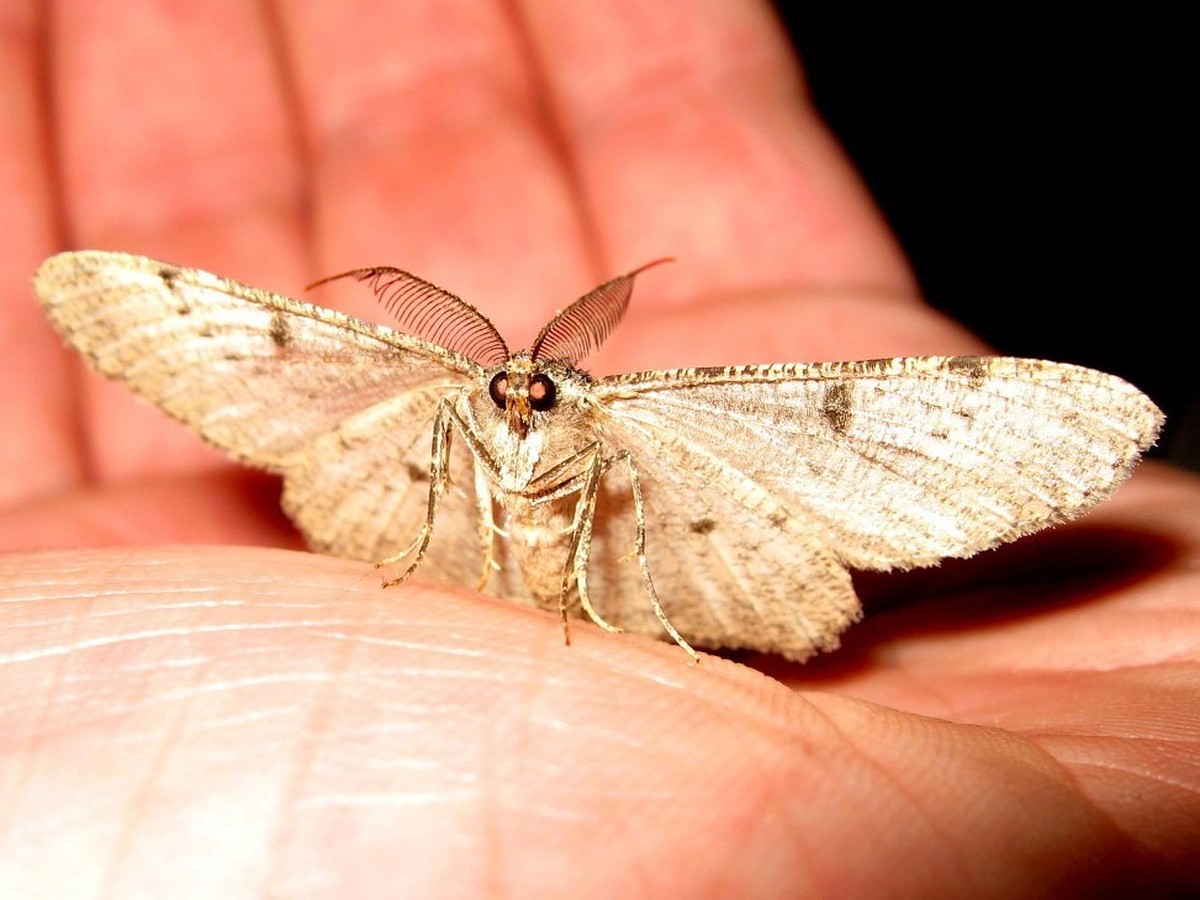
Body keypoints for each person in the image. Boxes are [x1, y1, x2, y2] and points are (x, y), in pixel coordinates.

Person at [1, 4, 1195, 894]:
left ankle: (657, 625)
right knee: (396, 455)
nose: (520, 407)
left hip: (695, 557)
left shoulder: (642, 411)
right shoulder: (450, 390)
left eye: (540, 392)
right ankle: (439, 550)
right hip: (415, 516)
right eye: (504, 391)